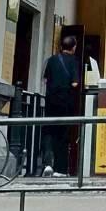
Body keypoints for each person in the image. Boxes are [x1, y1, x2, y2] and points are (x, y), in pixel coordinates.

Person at [41, 35, 81, 177]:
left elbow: (45, 79)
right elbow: (75, 83)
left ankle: (47, 164)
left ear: (61, 46)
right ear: (74, 47)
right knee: (63, 134)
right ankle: (60, 169)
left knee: (49, 131)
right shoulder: (74, 61)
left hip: (51, 100)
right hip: (65, 102)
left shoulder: (52, 60)